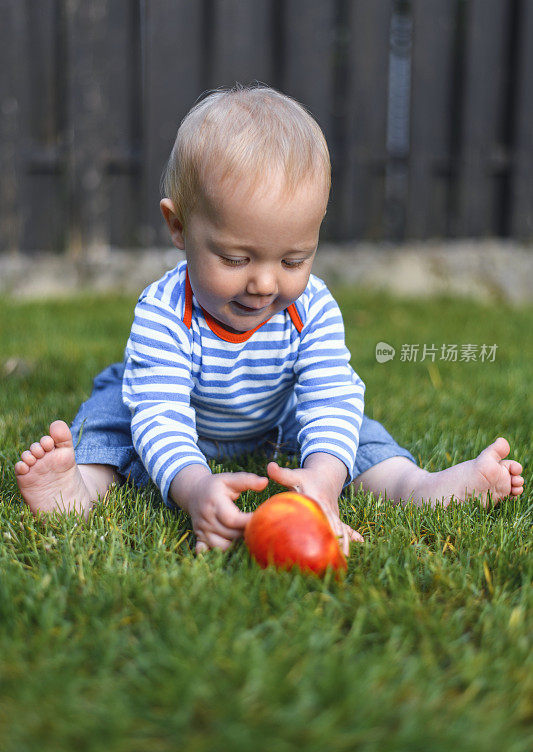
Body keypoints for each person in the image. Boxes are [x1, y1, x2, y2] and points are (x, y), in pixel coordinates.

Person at [14, 85, 524, 555]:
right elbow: (161, 413)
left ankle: (416, 486)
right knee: (113, 419)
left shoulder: (312, 308)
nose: (264, 284)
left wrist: (324, 479)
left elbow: (329, 397)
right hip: (179, 410)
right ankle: (79, 486)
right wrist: (194, 487)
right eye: (236, 260)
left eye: (293, 260)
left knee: (355, 433)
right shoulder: (164, 311)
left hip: (274, 424)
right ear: (178, 226)